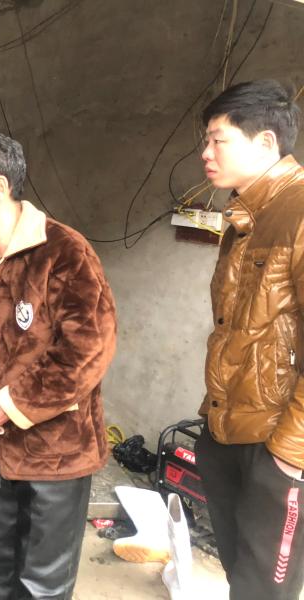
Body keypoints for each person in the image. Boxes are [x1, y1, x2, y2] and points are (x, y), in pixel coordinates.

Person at [0, 131, 117, 599]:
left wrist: (12, 404)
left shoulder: (63, 252)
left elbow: (87, 349)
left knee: (42, 583)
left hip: (55, 454)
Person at [194, 79, 304, 600]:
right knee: (241, 576)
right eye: (205, 140)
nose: (205, 153)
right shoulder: (246, 216)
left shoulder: (298, 212)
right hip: (229, 431)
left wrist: (289, 454)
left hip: (278, 446)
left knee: (265, 589)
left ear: (265, 142)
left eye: (218, 140)